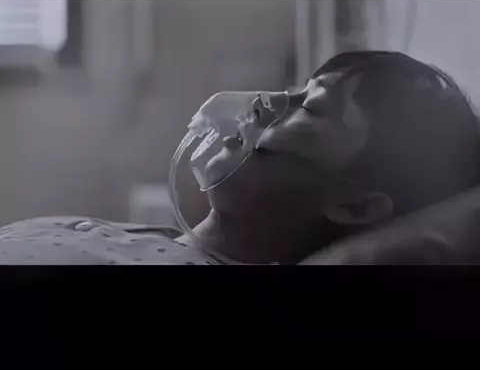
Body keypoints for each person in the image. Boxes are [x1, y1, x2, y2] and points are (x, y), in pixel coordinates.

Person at [0, 51, 477, 265]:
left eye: (309, 109)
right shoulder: (131, 235)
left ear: (356, 206)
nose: (267, 102)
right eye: (294, 90)